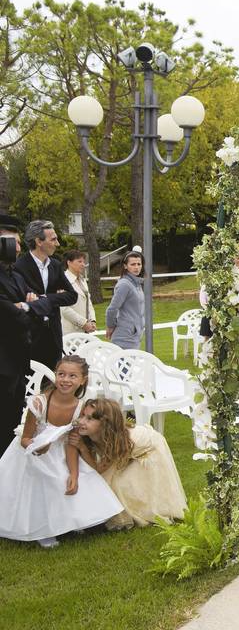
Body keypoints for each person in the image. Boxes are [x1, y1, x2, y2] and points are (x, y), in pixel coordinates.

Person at [0, 355, 122, 546]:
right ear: (55, 375)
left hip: (61, 452)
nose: (65, 380)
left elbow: (71, 442)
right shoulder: (39, 403)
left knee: (75, 479)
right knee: (46, 479)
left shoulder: (80, 407)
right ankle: (41, 528)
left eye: (73, 376)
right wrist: (36, 447)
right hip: (31, 453)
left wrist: (74, 473)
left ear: (83, 380)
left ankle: (74, 520)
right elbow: (25, 438)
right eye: (61, 374)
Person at [70, 397, 187, 530]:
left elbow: (99, 470)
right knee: (113, 479)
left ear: (104, 424)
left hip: (149, 450)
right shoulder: (95, 434)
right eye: (83, 416)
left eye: (89, 419)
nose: (82, 422)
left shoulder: (116, 441)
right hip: (129, 450)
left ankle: (150, 508)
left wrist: (83, 448)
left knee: (122, 484)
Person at [14, 219, 78, 370]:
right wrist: (55, 297)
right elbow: (21, 298)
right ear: (38, 241)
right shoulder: (19, 266)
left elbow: (72, 296)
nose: (57, 244)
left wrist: (45, 298)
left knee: (52, 383)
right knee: (30, 385)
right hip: (30, 336)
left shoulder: (55, 265)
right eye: (53, 239)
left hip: (54, 336)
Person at [0, 216, 34, 451]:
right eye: (15, 242)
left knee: (12, 421)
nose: (20, 248)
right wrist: (24, 307)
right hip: (2, 363)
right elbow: (12, 315)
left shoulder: (16, 274)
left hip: (18, 361)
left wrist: (27, 306)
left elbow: (36, 306)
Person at [105, 251, 145, 349]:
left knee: (132, 363)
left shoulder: (136, 283)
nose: (136, 267)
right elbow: (112, 309)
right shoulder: (124, 284)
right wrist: (111, 326)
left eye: (139, 264)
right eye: (133, 264)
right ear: (125, 266)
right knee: (125, 363)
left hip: (134, 334)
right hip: (124, 335)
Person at [61, 250, 97, 335]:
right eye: (79, 261)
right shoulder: (62, 280)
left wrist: (92, 320)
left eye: (84, 262)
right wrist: (83, 323)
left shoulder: (82, 280)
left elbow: (89, 302)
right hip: (70, 332)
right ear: (69, 262)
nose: (83, 264)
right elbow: (64, 309)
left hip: (85, 331)